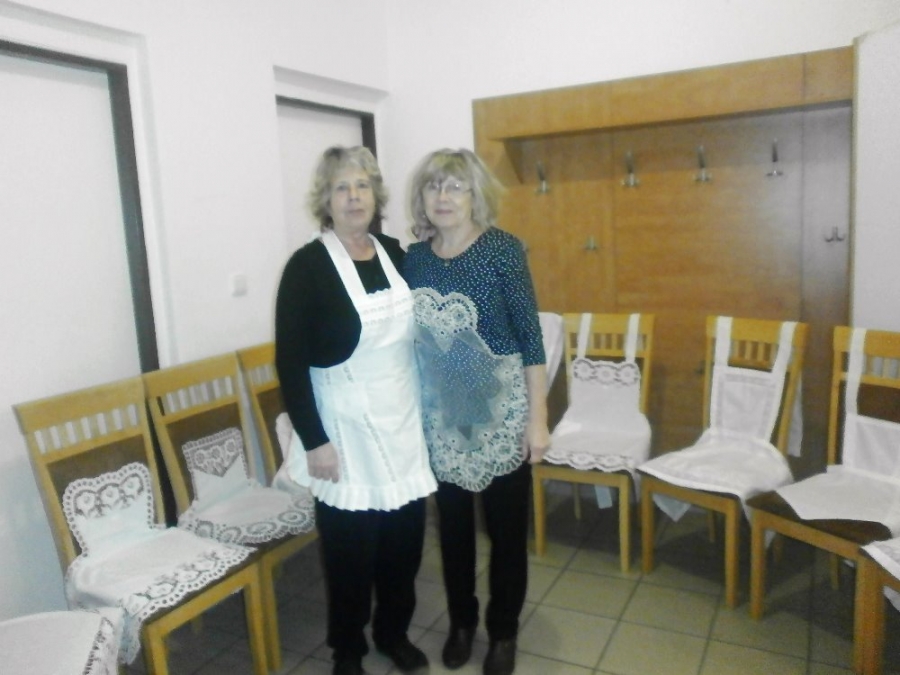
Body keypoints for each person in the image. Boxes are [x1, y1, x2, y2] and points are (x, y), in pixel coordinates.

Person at [275, 145, 437, 675]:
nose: (353, 197)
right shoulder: (306, 268)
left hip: (401, 425)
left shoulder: (394, 252)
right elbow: (290, 363)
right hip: (342, 434)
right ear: (326, 199)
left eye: (362, 186)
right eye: (341, 188)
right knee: (350, 554)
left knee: (403, 546)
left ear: (375, 195)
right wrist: (314, 440)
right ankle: (348, 650)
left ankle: (393, 633)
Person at [403, 148, 550, 675]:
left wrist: (538, 420)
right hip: (442, 419)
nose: (443, 197)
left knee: (507, 535)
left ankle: (503, 631)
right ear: (421, 197)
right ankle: (462, 623)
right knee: (453, 532)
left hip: (501, 414)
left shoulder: (502, 250)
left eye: (455, 186)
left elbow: (531, 339)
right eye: (433, 186)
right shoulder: (412, 259)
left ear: (475, 195)